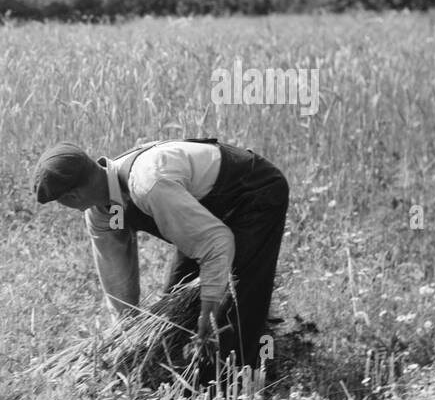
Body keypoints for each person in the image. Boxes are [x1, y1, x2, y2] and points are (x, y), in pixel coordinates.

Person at [34, 137, 289, 372]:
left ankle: (236, 381)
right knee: (176, 305)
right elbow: (116, 273)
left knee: (236, 303)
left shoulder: (148, 184)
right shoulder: (105, 211)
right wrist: (127, 336)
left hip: (253, 194)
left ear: (72, 195)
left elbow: (216, 243)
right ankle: (190, 368)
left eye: (60, 201)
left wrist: (209, 308)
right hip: (203, 209)